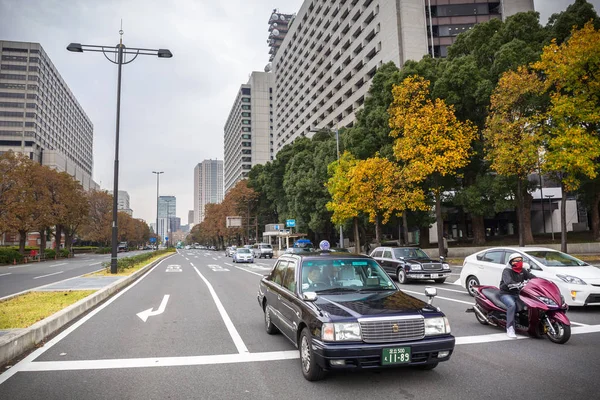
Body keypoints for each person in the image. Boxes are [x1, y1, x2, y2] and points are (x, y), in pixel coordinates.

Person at [499, 253, 536, 339]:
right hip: (506, 293)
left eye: (521, 260)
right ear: (512, 262)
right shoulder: (507, 271)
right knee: (512, 305)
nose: (519, 262)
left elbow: (532, 277)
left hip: (519, 293)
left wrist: (540, 281)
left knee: (531, 303)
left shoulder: (522, 270)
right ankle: (510, 328)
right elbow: (508, 281)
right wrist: (516, 284)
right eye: (517, 260)